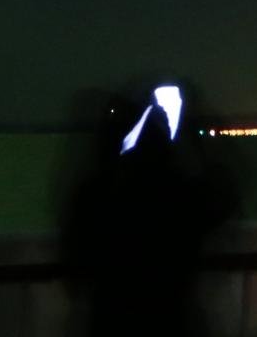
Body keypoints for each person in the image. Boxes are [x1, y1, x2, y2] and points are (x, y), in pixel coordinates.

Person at [59, 81, 241, 337]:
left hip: (109, 323)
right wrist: (195, 133)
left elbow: (75, 270)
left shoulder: (99, 198)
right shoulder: (182, 199)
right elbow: (227, 185)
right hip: (175, 323)